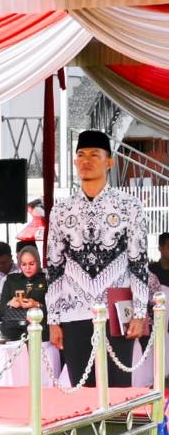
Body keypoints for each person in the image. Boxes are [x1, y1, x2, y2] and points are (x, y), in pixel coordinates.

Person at [47, 130, 148, 387]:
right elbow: (54, 266)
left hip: (116, 312)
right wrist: (53, 320)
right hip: (73, 312)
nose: (86, 161)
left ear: (109, 162)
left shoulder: (129, 206)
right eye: (81, 155)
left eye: (94, 155)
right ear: (74, 161)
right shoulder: (61, 210)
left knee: (118, 390)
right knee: (81, 390)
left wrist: (139, 313)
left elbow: (138, 262)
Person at [0, 244, 47, 341]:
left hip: (40, 326)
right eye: (24, 264)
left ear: (38, 262)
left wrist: (36, 305)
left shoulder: (46, 279)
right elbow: (2, 311)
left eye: (31, 264)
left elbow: (54, 310)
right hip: (14, 328)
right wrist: (10, 303)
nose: (27, 268)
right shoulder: (11, 280)